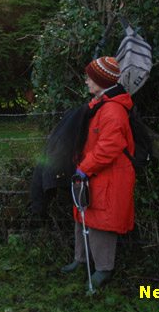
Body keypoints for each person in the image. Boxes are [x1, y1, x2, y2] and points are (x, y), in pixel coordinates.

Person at [60, 56, 135, 289]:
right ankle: (80, 260)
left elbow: (109, 148)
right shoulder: (100, 103)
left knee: (102, 222)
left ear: (102, 81)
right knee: (83, 215)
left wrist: (83, 168)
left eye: (90, 78)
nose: (86, 82)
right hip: (94, 174)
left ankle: (103, 269)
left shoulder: (112, 110)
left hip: (108, 176)